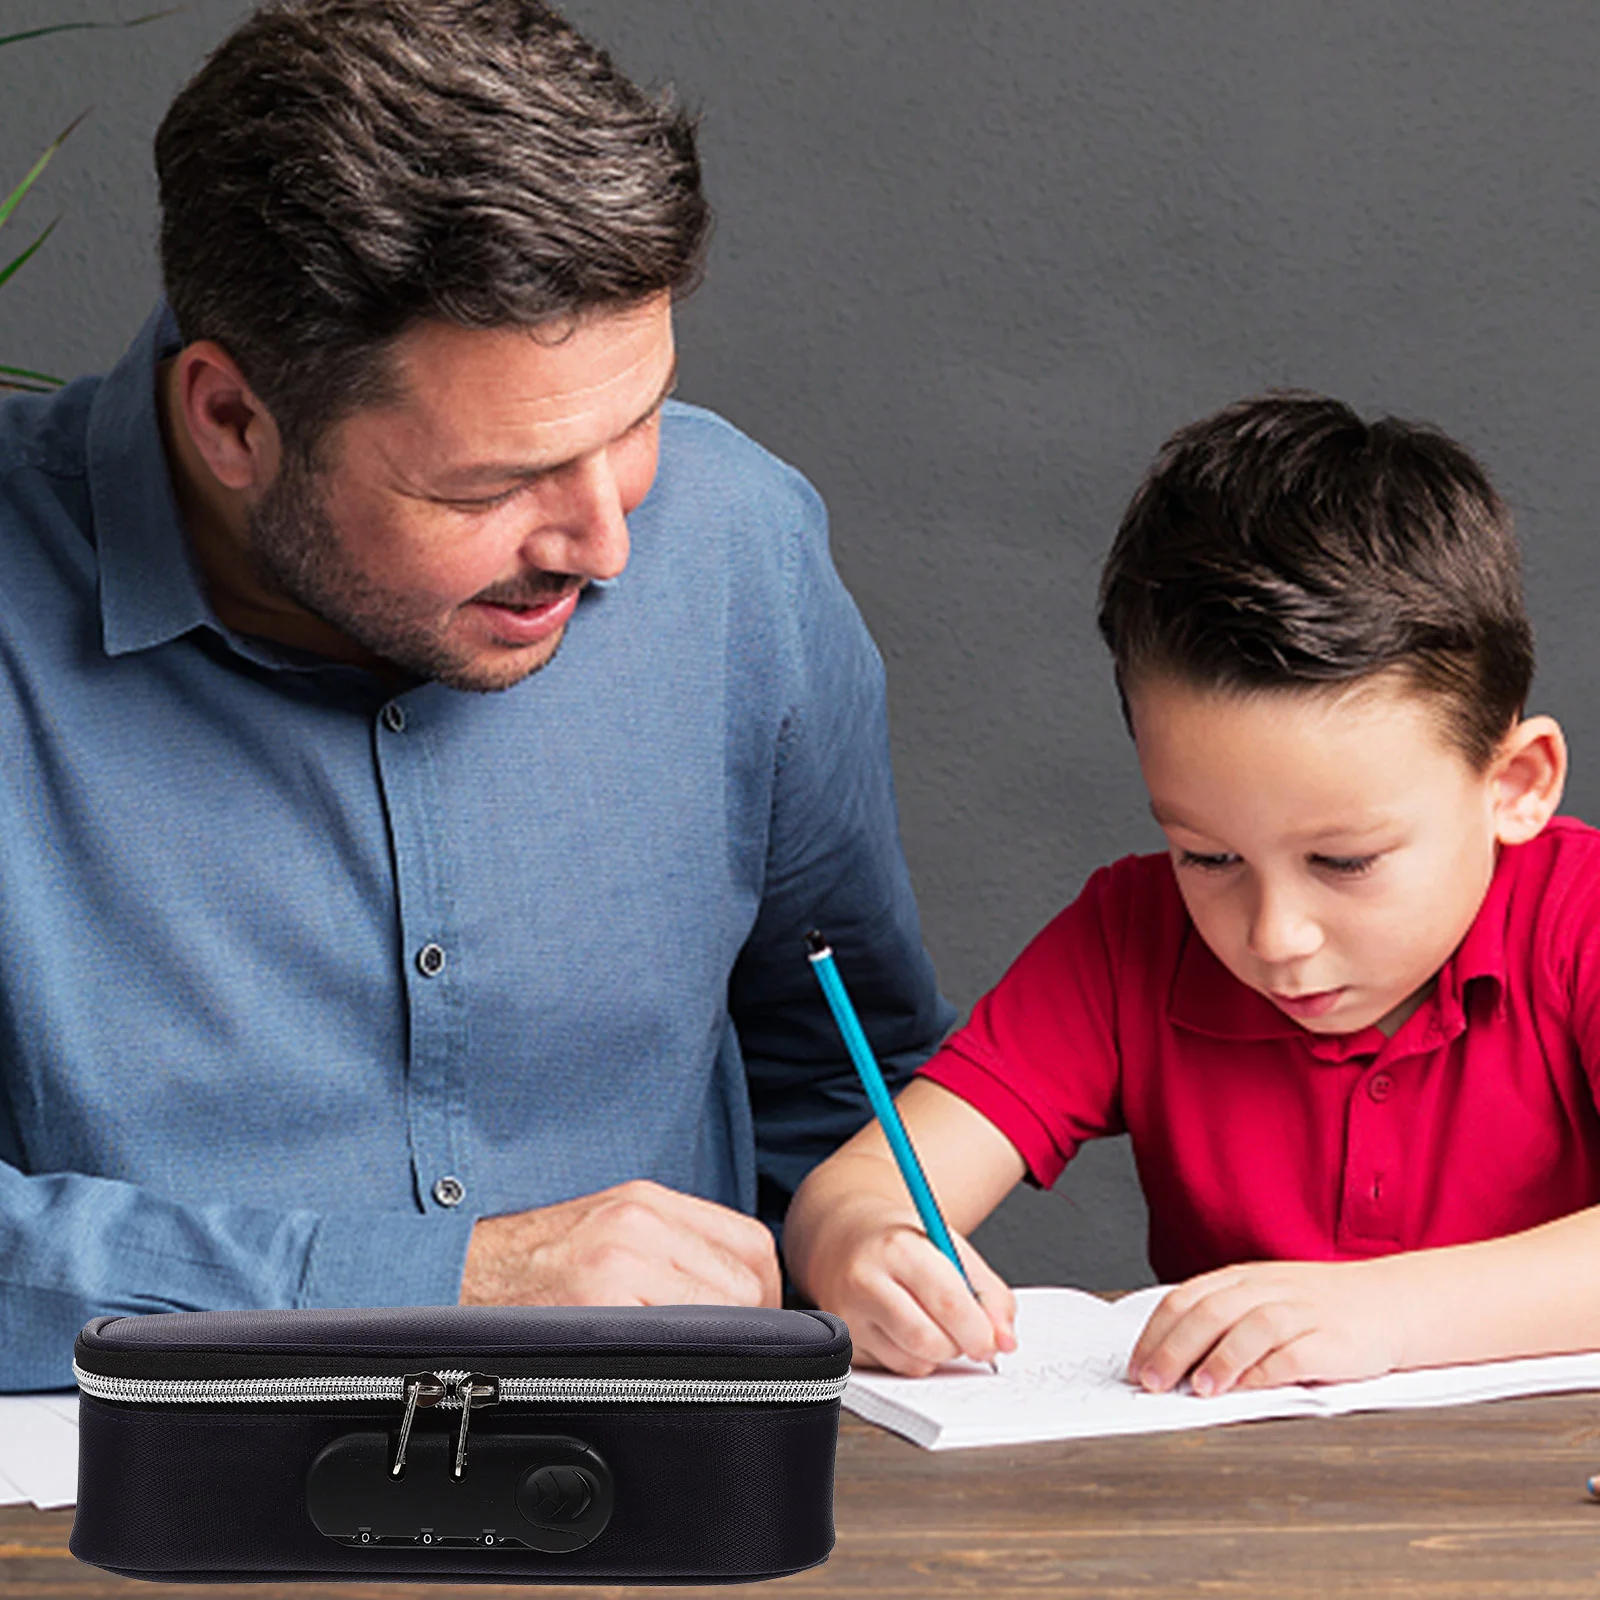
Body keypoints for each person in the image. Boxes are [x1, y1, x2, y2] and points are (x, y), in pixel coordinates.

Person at [0, 0, 953, 1390]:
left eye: (635, 425)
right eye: (494, 483)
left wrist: (861, 1246)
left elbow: (847, 1084)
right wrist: (445, 1286)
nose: (608, 543)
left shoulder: (739, 544)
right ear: (232, 420)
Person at [786, 392, 1600, 1389]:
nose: (1277, 934)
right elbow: (853, 1188)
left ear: (1514, 785)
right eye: (1208, 857)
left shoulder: (1579, 919)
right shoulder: (1132, 936)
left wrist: (1384, 1312)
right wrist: (862, 1246)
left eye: (1344, 861)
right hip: (1227, 1515)